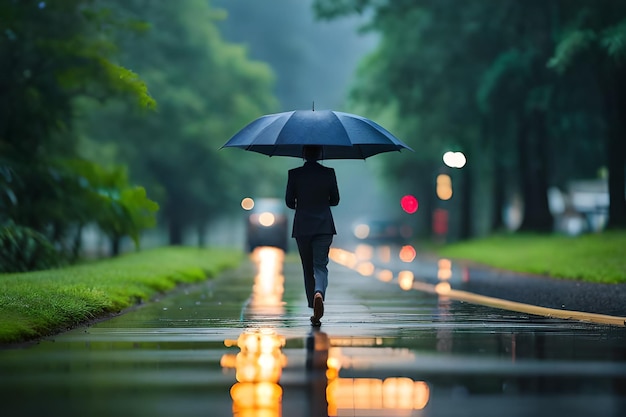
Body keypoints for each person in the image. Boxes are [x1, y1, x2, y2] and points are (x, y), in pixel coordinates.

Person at [285, 145, 340, 327]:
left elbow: (289, 202)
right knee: (321, 266)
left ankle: (313, 306)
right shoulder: (329, 173)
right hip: (324, 226)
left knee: (307, 268)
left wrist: (302, 204)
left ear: (303, 154)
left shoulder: (294, 174)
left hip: (302, 227)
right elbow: (335, 200)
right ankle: (319, 293)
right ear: (320, 154)